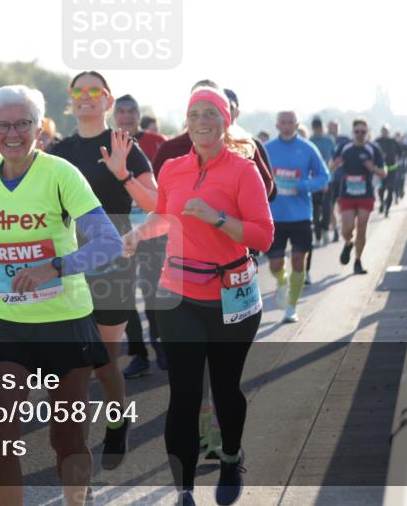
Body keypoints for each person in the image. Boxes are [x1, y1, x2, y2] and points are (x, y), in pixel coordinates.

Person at [0, 85, 121, 506]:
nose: (12, 133)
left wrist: (54, 266)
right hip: (8, 322)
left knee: (66, 435)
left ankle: (78, 499)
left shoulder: (60, 174)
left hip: (65, 320)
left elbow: (108, 243)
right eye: (2, 125)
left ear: (39, 128)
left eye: (23, 123)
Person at [123, 87, 273, 506]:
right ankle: (184, 487)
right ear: (186, 123)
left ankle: (229, 458)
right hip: (179, 296)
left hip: (231, 298)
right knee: (184, 393)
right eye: (195, 114)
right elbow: (164, 216)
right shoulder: (172, 168)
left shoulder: (244, 171)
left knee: (225, 389)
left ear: (226, 122)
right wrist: (137, 234)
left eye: (211, 113)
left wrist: (219, 219)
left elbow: (263, 235)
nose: (203, 121)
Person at [49, 71, 156, 469]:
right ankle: (76, 450)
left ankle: (117, 419)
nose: (86, 97)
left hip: (114, 261)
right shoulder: (59, 151)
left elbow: (156, 201)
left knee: (104, 361)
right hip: (70, 262)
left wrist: (121, 174)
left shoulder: (125, 145)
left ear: (108, 100)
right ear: (71, 100)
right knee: (71, 363)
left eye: (95, 90)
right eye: (79, 91)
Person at [112, 93, 168, 379]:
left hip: (151, 227)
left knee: (151, 289)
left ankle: (160, 345)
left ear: (137, 114)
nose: (126, 116)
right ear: (114, 115)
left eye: (130, 111)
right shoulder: (105, 143)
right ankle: (138, 354)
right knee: (123, 294)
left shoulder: (157, 142)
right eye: (120, 111)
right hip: (119, 231)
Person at [264, 112, 329, 322]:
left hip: (300, 215)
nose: (286, 125)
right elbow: (255, 176)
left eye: (290, 122)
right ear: (277, 124)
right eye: (282, 121)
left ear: (297, 124)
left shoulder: (308, 148)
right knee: (274, 264)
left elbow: (324, 176)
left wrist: (303, 186)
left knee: (299, 260)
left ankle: (291, 306)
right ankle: (282, 283)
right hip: (276, 215)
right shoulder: (267, 149)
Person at [330, 118, 385, 275]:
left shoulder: (373, 148)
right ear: (352, 132)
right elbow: (331, 167)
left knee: (361, 228)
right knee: (347, 229)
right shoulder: (344, 147)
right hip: (347, 194)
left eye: (363, 131)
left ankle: (358, 261)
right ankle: (348, 243)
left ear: (367, 133)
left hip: (365, 194)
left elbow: (383, 172)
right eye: (357, 131)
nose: (360, 134)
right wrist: (336, 164)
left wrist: (373, 168)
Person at [308, 116, 336, 245]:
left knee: (326, 208)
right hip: (313, 181)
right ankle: (317, 235)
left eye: (319, 128)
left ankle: (325, 230)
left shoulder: (328, 140)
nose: (317, 131)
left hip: (327, 179)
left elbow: (335, 157)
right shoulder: (309, 141)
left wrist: (332, 168)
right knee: (314, 210)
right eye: (315, 129)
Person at [327, 120, 350, 242]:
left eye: (335, 127)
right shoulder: (325, 140)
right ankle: (335, 230)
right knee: (331, 206)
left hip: (344, 179)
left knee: (343, 207)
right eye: (331, 127)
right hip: (330, 179)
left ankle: (343, 226)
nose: (333, 129)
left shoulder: (345, 140)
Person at [372, 125, 400, 218]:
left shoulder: (393, 141)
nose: (385, 133)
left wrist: (397, 158)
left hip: (392, 169)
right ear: (381, 132)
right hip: (381, 170)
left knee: (390, 189)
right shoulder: (377, 141)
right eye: (383, 131)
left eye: (386, 131)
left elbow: (400, 152)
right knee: (381, 189)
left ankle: (387, 209)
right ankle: (381, 203)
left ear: (389, 132)